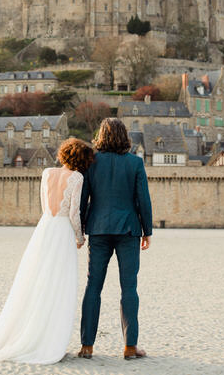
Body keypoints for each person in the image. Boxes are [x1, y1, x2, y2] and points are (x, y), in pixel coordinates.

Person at [0, 138, 94, 364]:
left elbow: (45, 206)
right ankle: (48, 339)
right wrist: (80, 237)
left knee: (35, 280)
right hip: (62, 231)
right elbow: (74, 213)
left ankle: (24, 333)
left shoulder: (47, 173)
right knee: (58, 285)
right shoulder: (77, 177)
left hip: (45, 228)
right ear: (82, 160)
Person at [78, 117, 154, 360]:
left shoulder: (91, 163)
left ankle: (87, 346)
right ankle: (130, 347)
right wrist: (147, 230)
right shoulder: (135, 163)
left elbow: (83, 199)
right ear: (125, 137)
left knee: (93, 286)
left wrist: (78, 229)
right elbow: (143, 199)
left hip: (98, 229)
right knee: (129, 287)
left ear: (101, 135)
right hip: (128, 229)